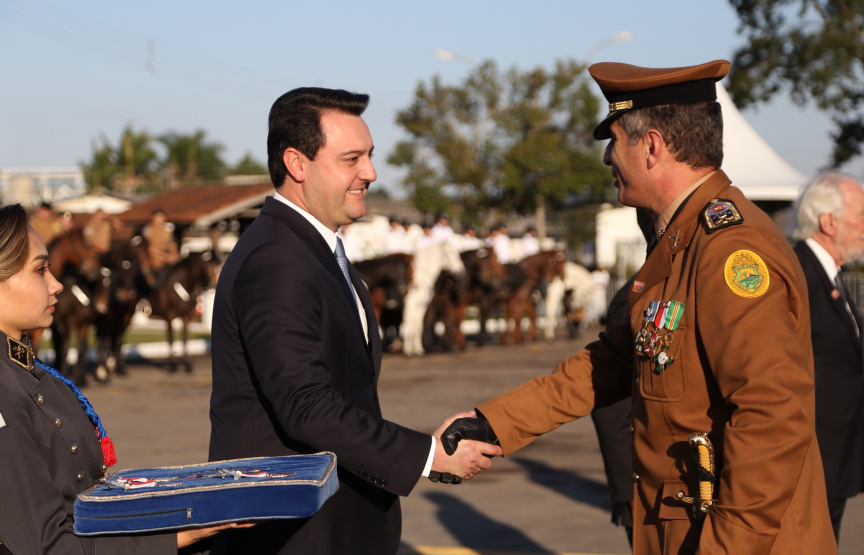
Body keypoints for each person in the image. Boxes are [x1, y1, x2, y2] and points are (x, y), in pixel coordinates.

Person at [453, 60, 838, 554]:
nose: (607, 158)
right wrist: (496, 423)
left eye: (614, 141)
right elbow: (614, 360)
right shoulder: (680, 240)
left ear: (652, 146)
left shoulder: (728, 252)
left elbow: (771, 418)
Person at [207, 87, 501, 555]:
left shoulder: (313, 249)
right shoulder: (277, 260)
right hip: (296, 533)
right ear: (296, 164)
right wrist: (428, 454)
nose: (371, 172)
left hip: (335, 521)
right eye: (351, 159)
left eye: (369, 155)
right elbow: (306, 405)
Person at [0, 203, 236, 553]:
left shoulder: (27, 370)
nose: (56, 284)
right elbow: (47, 546)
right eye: (41, 271)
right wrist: (176, 537)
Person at [789, 173, 864, 543]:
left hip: (835, 454)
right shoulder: (798, 276)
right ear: (828, 221)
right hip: (813, 458)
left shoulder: (829, 275)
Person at [141, 209, 180, 286]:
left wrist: (173, 254)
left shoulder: (168, 229)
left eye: (162, 217)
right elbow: (150, 249)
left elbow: (172, 243)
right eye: (158, 217)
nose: (160, 220)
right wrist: (166, 257)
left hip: (168, 255)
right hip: (154, 257)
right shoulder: (148, 230)